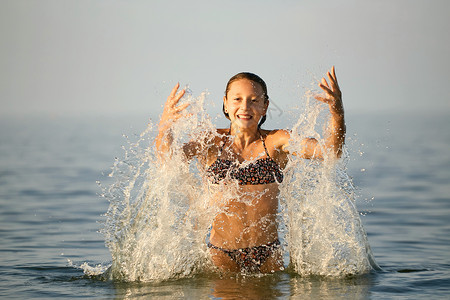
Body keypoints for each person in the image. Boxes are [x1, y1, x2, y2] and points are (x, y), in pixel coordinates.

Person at [155, 66, 345, 273]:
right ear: (225, 104)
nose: (245, 106)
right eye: (237, 99)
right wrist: (165, 125)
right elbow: (168, 160)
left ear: (265, 106)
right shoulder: (210, 141)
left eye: (254, 100)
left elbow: (330, 152)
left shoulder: (277, 141)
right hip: (222, 254)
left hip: (268, 253)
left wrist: (337, 113)